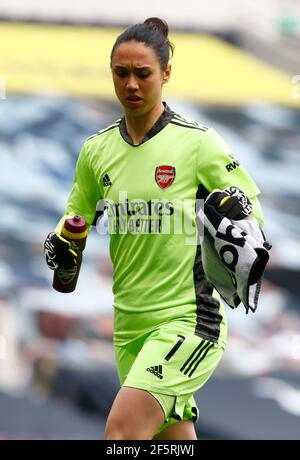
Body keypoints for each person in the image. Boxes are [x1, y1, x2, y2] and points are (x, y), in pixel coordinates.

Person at [44, 17, 265, 440]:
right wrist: (62, 245)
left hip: (190, 320)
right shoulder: (96, 151)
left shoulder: (199, 144)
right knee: (172, 442)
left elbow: (251, 216)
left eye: (142, 74)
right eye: (121, 73)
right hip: (129, 327)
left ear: (165, 73)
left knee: (123, 436)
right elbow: (75, 221)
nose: (131, 84)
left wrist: (234, 221)